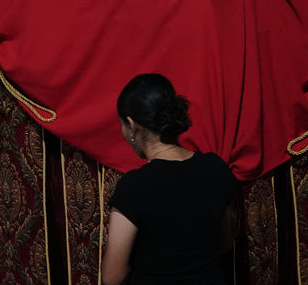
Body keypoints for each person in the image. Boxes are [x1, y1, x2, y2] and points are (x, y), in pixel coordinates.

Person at [101, 73, 238, 285]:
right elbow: (225, 243)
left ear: (132, 125)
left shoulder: (135, 185)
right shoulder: (216, 169)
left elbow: (112, 277)